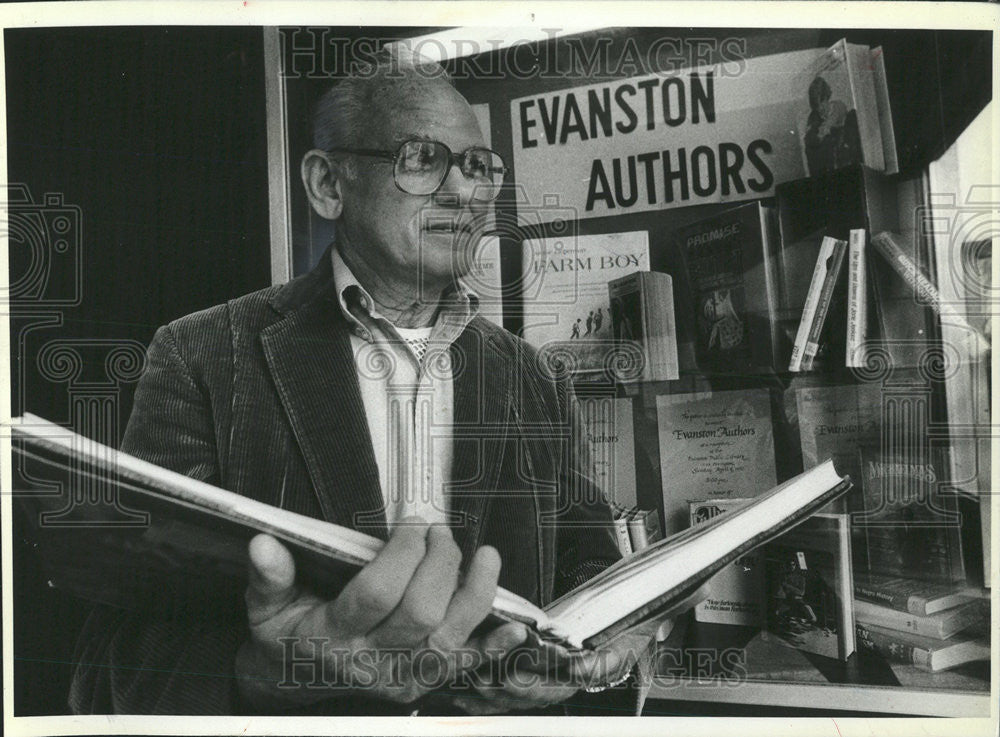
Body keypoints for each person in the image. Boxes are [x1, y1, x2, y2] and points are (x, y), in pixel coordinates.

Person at [68, 47, 658, 716]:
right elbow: (112, 657)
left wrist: (608, 640)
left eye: (476, 166)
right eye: (422, 159)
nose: (465, 192)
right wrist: (265, 671)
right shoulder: (201, 355)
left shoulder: (536, 377)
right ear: (328, 184)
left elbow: (592, 572)